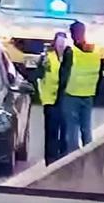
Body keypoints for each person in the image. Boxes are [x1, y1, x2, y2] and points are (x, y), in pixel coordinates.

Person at [59, 20, 101, 149]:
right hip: (88, 94)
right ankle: (89, 155)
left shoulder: (71, 53)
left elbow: (63, 75)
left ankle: (73, 159)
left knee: (72, 131)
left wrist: (60, 92)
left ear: (72, 35)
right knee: (86, 129)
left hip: (72, 94)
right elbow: (100, 74)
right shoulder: (95, 51)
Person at [35, 31, 69, 164]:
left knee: (65, 130)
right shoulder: (47, 58)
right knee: (51, 132)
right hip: (50, 100)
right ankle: (51, 159)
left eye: (63, 44)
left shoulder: (70, 56)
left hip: (65, 98)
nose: (60, 47)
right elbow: (38, 75)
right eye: (59, 44)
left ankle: (64, 157)